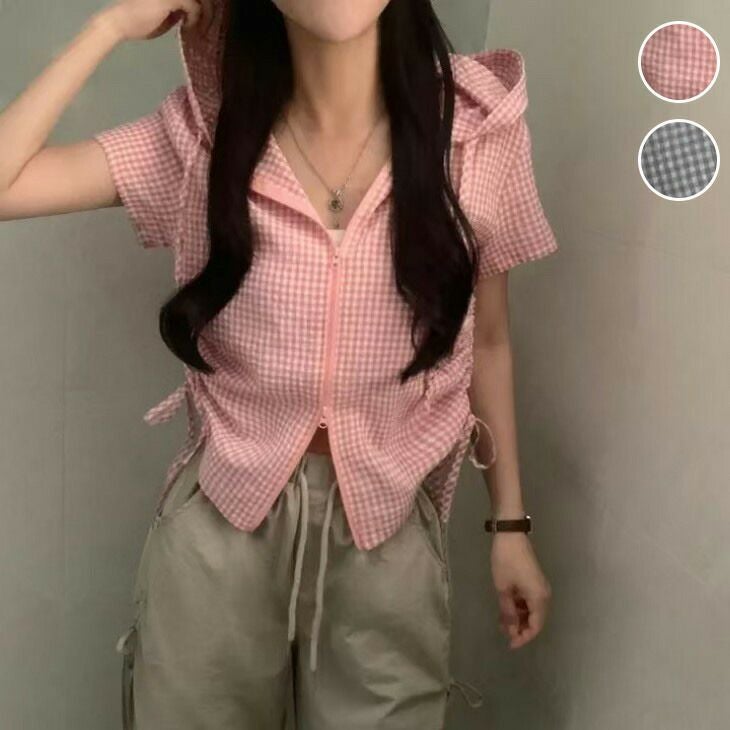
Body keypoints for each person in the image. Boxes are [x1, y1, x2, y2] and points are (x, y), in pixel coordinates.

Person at [0, 1, 557, 727]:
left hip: (387, 529)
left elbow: (489, 340)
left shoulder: (479, 135)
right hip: (222, 528)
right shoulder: (203, 136)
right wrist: (108, 29)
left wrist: (510, 526)